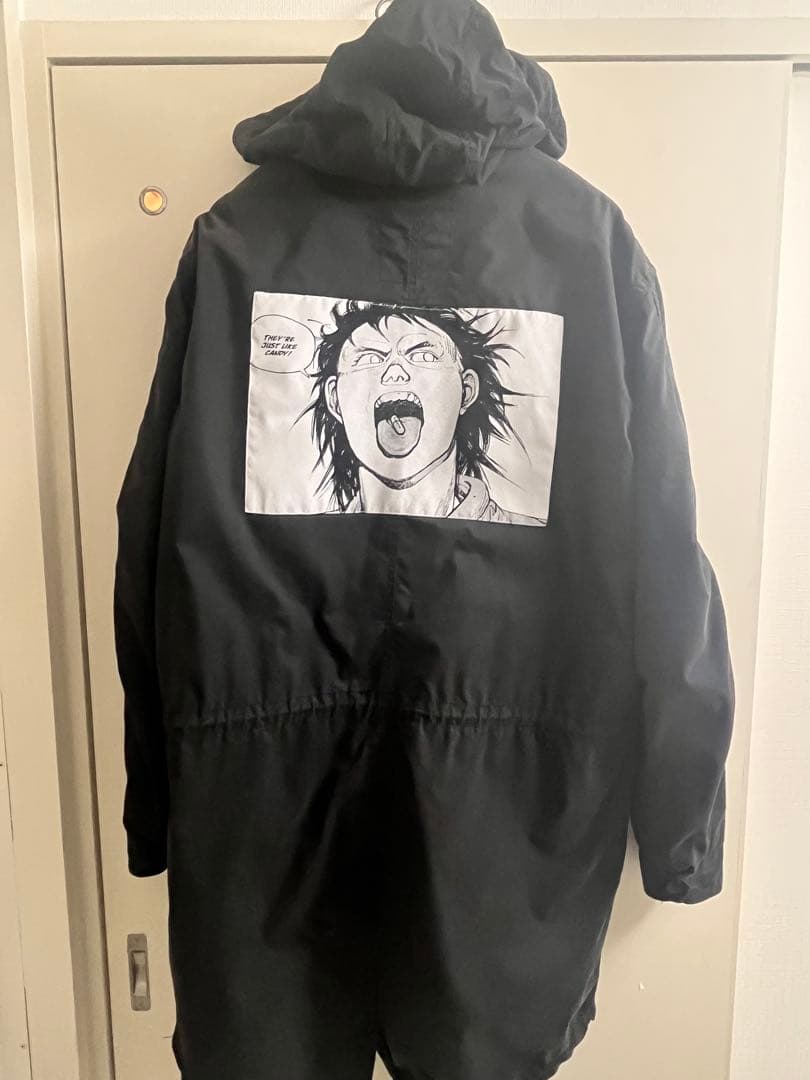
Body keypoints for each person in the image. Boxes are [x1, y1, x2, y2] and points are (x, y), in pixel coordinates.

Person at [302, 300, 544, 524]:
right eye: (369, 359)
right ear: (334, 399)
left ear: (466, 391)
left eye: (424, 356)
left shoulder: (528, 534)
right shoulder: (310, 538)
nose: (395, 372)